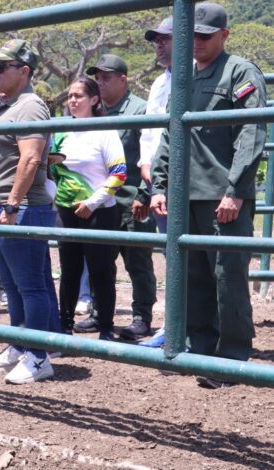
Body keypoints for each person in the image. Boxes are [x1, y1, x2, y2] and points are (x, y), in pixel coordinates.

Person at [150, 2, 267, 388]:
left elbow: (252, 133)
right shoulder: (182, 78)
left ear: (224, 36)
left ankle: (233, 356)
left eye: (204, 36)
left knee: (228, 276)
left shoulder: (240, 72)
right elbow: (170, 135)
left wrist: (236, 190)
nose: (196, 42)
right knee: (192, 276)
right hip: (187, 195)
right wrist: (161, 185)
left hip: (222, 195)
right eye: (192, 36)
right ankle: (200, 350)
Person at [0, 39, 57, 384]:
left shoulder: (29, 106)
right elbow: (2, 163)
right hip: (2, 205)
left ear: (24, 72)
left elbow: (30, 158)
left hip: (22, 206)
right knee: (11, 283)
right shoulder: (8, 107)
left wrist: (10, 204)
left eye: (1, 67)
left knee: (29, 285)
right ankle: (19, 345)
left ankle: (38, 357)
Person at [78, 54, 157, 340]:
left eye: (106, 77)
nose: (100, 83)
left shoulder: (140, 111)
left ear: (123, 79)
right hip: (102, 201)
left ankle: (141, 317)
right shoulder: (95, 112)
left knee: (137, 261)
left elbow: (151, 154)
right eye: (97, 78)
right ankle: (100, 314)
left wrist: (145, 194)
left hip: (131, 200)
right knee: (100, 261)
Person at [53, 77, 126, 341]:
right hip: (66, 210)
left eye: (79, 96)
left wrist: (92, 203)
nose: (72, 101)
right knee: (68, 271)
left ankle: (106, 328)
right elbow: (54, 172)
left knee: (101, 270)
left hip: (100, 211)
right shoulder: (61, 131)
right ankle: (64, 326)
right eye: (70, 96)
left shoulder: (105, 131)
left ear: (94, 100)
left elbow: (119, 173)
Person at [139, 16, 174, 348]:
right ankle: (174, 325)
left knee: (190, 255)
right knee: (170, 252)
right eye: (157, 40)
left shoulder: (196, 75)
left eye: (165, 38)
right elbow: (149, 130)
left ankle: (194, 327)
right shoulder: (159, 82)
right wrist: (145, 164)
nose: (159, 44)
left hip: (187, 179)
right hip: (161, 179)